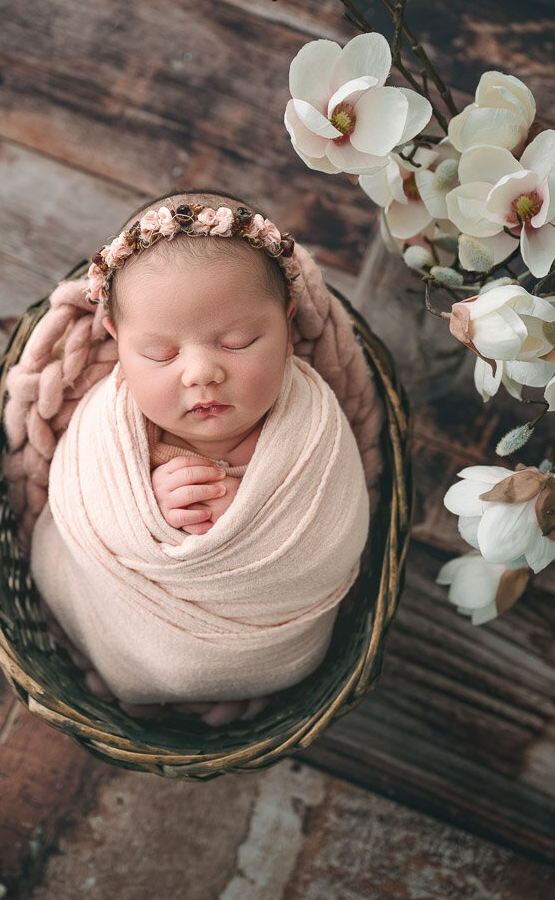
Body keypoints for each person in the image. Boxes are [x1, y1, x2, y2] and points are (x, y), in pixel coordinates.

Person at [27, 191, 372, 724]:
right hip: (123, 620)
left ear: (285, 326)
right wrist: (146, 507)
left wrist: (251, 516)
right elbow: (85, 506)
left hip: (269, 640)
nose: (200, 373)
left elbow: (333, 531)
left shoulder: (311, 427)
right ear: (116, 340)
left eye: (238, 341)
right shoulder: (110, 422)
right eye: (161, 353)